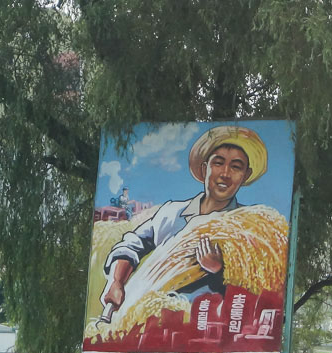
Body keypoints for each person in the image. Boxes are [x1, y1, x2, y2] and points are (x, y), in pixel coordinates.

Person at [100, 126, 269, 312]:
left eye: (236, 167)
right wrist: (116, 281)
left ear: (246, 175)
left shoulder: (249, 229)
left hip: (203, 329)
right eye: (218, 163)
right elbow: (132, 244)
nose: (225, 174)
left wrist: (218, 272)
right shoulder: (171, 213)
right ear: (205, 169)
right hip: (141, 324)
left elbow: (255, 293)